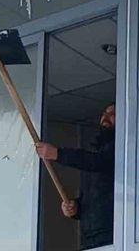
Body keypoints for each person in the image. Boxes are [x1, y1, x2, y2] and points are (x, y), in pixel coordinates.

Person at [36, 104, 115, 250]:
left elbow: (98, 162)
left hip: (113, 236)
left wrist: (57, 154)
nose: (106, 116)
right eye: (104, 113)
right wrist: (76, 208)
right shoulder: (98, 152)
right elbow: (99, 196)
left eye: (112, 113)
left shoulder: (120, 148)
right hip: (92, 239)